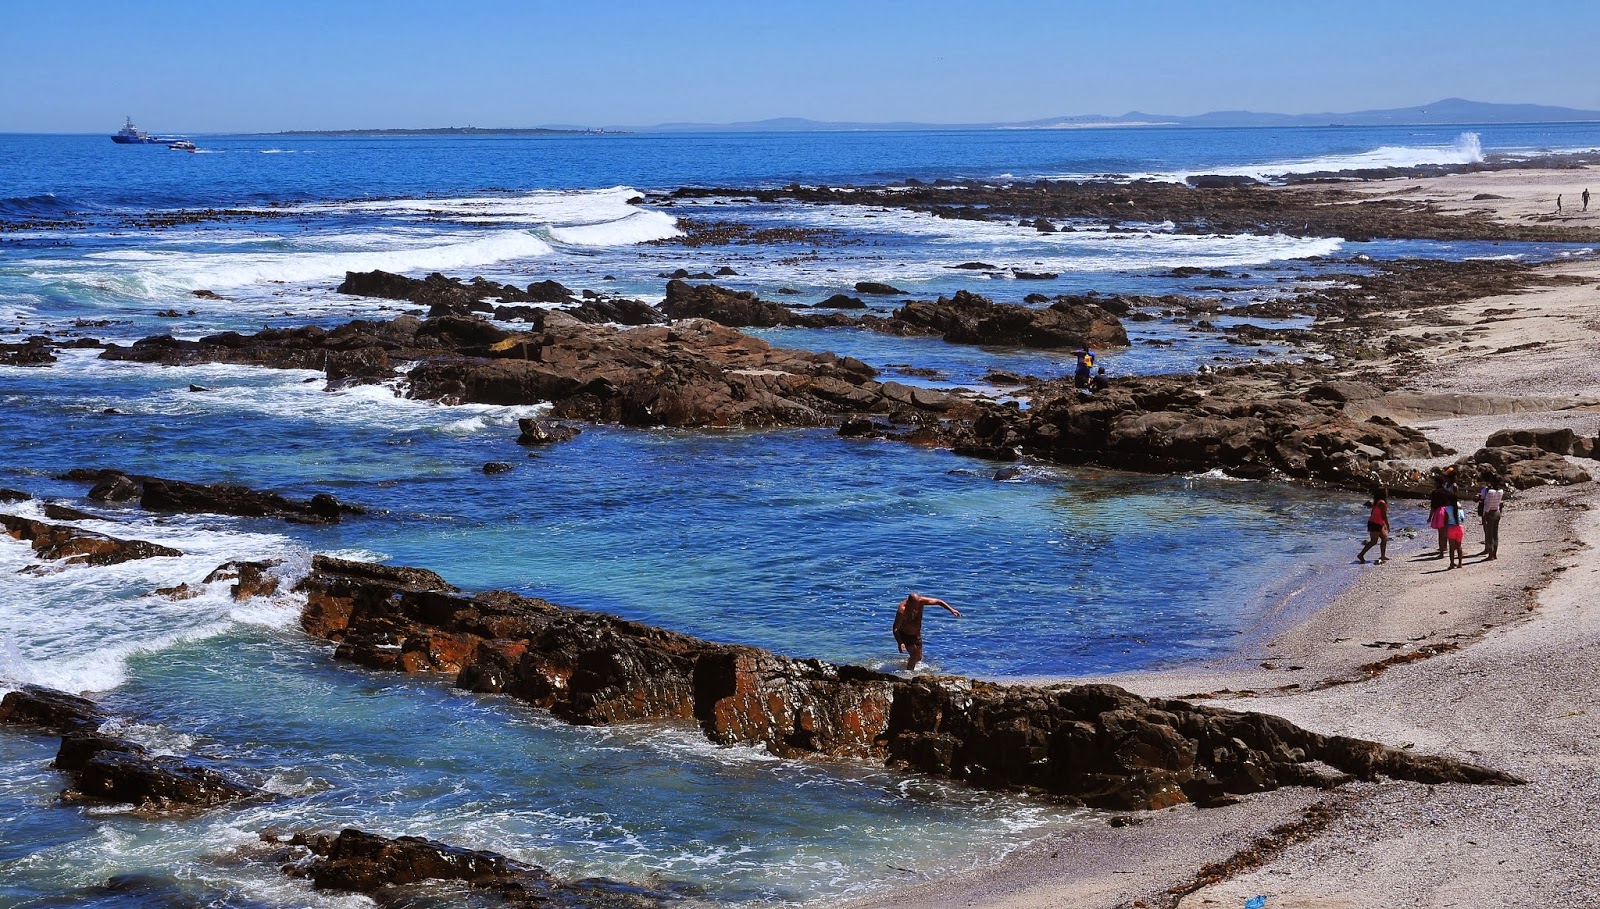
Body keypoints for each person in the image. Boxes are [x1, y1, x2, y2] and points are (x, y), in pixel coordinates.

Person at [893, 591, 960, 670]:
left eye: (917, 604)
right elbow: (895, 628)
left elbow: (938, 601)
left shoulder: (921, 601)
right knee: (914, 655)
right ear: (909, 603)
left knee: (919, 657)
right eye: (914, 605)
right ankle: (908, 675)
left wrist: (951, 610)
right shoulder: (902, 610)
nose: (916, 607)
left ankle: (907, 664)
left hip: (916, 634)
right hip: (905, 634)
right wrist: (900, 642)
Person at [1478, 474, 1506, 561]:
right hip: (1497, 511)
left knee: (1489, 535)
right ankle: (1495, 554)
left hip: (1490, 513)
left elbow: (1488, 505)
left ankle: (1490, 555)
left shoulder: (1490, 492)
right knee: (1495, 534)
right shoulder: (1500, 491)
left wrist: (1485, 516)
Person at [1358, 487, 1390, 563]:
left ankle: (1383, 555)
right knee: (1373, 541)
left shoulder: (1377, 502)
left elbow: (1373, 513)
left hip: (1377, 522)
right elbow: (1384, 515)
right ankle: (1361, 554)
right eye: (1386, 492)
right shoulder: (1381, 503)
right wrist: (1387, 525)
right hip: (1375, 523)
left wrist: (1382, 523)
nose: (1387, 493)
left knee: (1384, 538)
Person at [1427, 473, 1453, 556]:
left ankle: (1441, 552)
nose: (1434, 483)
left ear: (1438, 483)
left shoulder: (1435, 492)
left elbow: (1433, 506)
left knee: (1441, 533)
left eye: (1435, 482)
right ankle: (1448, 548)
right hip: (1448, 511)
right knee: (1447, 531)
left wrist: (1430, 517)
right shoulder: (1447, 491)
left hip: (1440, 512)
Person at [1445, 497, 1468, 569]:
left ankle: (1452, 563)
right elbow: (1462, 518)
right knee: (1459, 546)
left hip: (1451, 528)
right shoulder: (1460, 509)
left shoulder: (1447, 509)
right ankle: (1460, 563)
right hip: (1459, 528)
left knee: (1451, 548)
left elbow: (1445, 520)